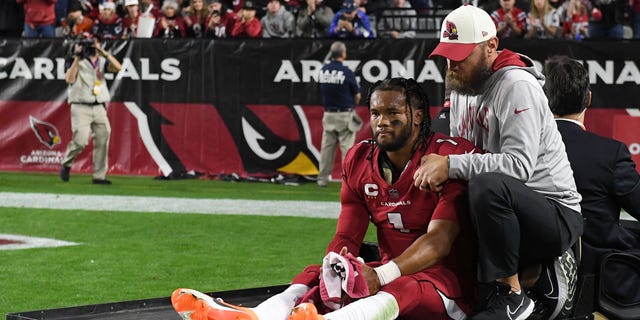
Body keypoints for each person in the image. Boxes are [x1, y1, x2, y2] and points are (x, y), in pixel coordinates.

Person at [170, 77, 480, 320]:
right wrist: (337, 266)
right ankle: (256, 315)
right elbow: (347, 234)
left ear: (417, 116)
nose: (381, 122)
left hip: (445, 287)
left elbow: (439, 241)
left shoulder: (448, 155)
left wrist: (380, 275)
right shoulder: (360, 158)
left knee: (404, 286)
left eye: (392, 113)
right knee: (318, 272)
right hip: (388, 273)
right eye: (375, 113)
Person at [419, 5, 583, 320]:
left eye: (462, 55)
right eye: (448, 55)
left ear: (491, 46)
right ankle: (524, 274)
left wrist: (451, 165)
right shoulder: (463, 85)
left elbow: (519, 167)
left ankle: (513, 293)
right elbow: (461, 148)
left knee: (484, 183)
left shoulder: (516, 85)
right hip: (505, 211)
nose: (452, 64)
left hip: (554, 212)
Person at [542, 55, 640, 278]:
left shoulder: (522, 153)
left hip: (538, 277)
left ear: (545, 99)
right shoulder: (610, 154)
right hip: (605, 279)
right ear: (588, 98)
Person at [60, 34, 122, 185]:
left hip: (99, 105)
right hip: (80, 105)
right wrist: (77, 57)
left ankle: (99, 176)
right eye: (88, 43)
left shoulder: (102, 60)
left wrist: (103, 52)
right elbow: (69, 79)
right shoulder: (74, 60)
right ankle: (67, 162)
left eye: (94, 43)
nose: (91, 46)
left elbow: (118, 68)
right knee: (80, 140)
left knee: (103, 138)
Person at [316, 41, 361, 188]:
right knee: (347, 150)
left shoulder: (323, 70)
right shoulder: (346, 72)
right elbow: (357, 96)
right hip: (344, 115)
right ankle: (347, 182)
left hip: (328, 114)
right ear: (343, 54)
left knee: (327, 149)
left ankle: (322, 179)